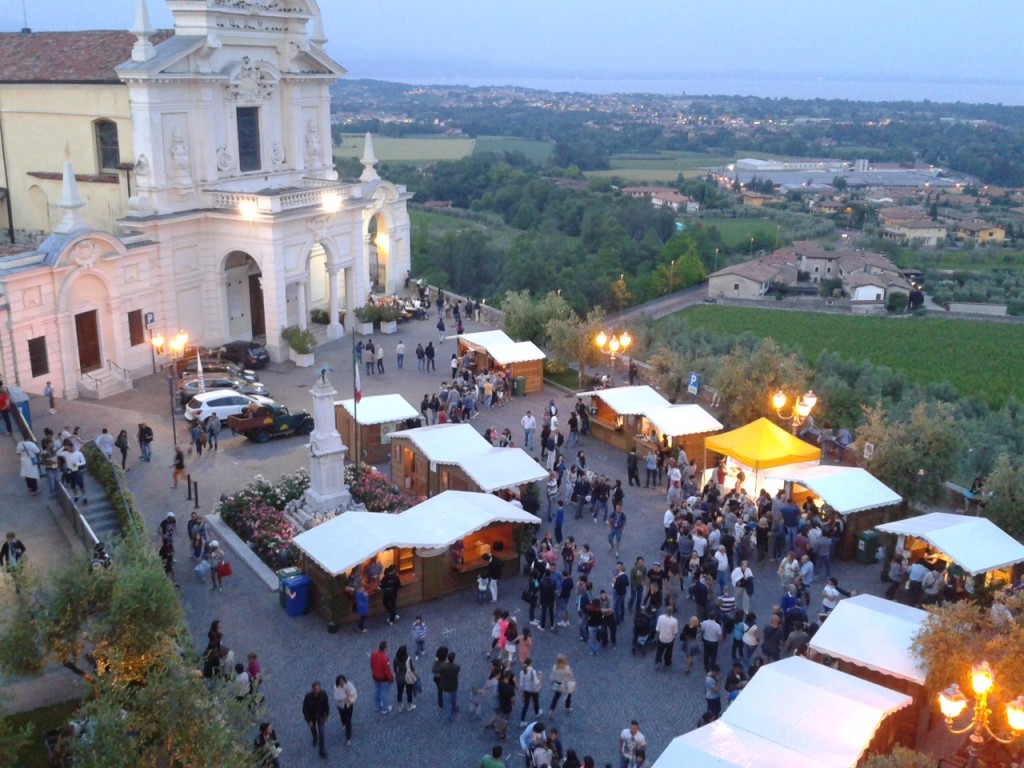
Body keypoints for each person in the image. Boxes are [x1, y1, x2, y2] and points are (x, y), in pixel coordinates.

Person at [302, 681, 330, 759]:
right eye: (316, 688)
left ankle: (322, 750)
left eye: (319, 688)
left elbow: (326, 705)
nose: (318, 690)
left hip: (320, 716)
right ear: (313, 689)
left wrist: (326, 714)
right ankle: (315, 738)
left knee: (322, 733)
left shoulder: (323, 694)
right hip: (312, 717)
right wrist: (308, 720)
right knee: (313, 729)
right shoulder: (308, 697)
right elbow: (305, 709)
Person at [370, 641, 395, 714]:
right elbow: (387, 670)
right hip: (383, 679)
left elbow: (371, 664)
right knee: (384, 692)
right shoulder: (385, 658)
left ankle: (377, 706)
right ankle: (385, 708)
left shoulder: (373, 654)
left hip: (375, 677)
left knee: (377, 690)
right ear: (385, 648)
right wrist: (390, 679)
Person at [393, 644, 418, 712]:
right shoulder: (408, 659)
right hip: (408, 677)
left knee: (399, 692)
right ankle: (409, 706)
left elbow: (395, 669)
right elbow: (412, 669)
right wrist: (416, 676)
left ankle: (400, 706)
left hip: (399, 677)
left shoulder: (396, 658)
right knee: (409, 692)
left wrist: (396, 675)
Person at [439, 650, 461, 722]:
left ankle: (448, 716)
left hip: (446, 686)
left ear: (447, 658)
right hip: (454, 685)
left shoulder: (443, 666)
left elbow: (441, 674)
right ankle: (454, 709)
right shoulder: (457, 667)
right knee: (454, 698)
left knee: (447, 702)